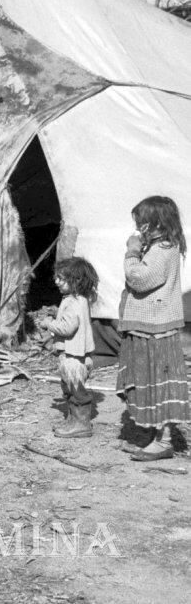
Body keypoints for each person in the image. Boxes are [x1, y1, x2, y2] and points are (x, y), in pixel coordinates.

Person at [116, 195, 190, 462]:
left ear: (156, 224)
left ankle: (165, 440)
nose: (139, 229)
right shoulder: (158, 247)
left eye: (142, 224)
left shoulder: (164, 249)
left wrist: (132, 251)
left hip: (157, 331)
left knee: (159, 383)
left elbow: (140, 279)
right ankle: (153, 437)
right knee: (148, 382)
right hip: (147, 329)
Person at [37, 257, 99, 439]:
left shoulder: (74, 303)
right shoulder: (77, 300)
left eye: (61, 278)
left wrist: (49, 323)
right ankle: (74, 420)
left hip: (74, 356)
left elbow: (67, 327)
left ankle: (81, 424)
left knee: (76, 389)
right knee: (70, 387)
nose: (57, 281)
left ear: (76, 280)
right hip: (74, 354)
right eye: (57, 277)